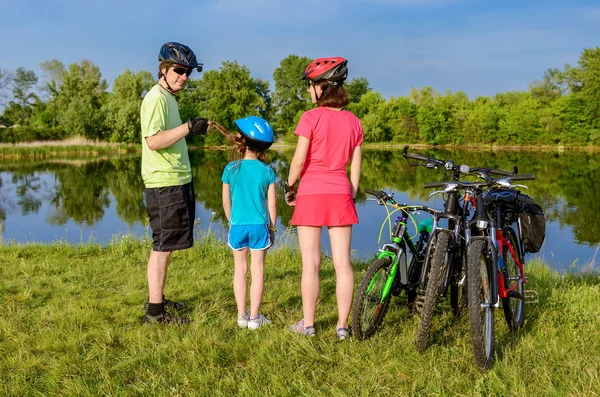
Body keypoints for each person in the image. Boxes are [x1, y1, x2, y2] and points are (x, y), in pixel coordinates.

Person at [285, 57, 363, 340]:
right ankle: (342, 326)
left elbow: (297, 161)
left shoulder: (311, 117)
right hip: (340, 192)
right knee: (343, 264)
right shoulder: (354, 121)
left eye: (310, 85)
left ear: (322, 87)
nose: (309, 90)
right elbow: (355, 167)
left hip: (312, 192)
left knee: (311, 264)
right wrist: (350, 194)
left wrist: (289, 186)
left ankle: (308, 324)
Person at [140, 41, 211, 324]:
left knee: (167, 245)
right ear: (164, 69)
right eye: (179, 70)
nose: (184, 76)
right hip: (163, 183)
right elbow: (153, 141)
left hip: (176, 180)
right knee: (162, 246)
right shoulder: (155, 98)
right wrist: (187, 128)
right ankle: (155, 312)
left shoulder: (169, 98)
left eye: (188, 72)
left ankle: (159, 299)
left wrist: (190, 130)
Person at [217, 116, 277, 330]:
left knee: (240, 269)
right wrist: (272, 228)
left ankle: (241, 316)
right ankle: (254, 318)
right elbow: (272, 206)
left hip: (238, 226)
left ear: (242, 142)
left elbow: (226, 202)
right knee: (258, 270)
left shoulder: (230, 170)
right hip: (259, 226)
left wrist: (232, 221)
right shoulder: (267, 171)